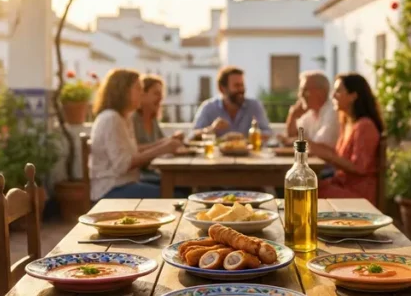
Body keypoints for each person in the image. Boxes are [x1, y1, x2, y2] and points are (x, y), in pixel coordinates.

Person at [88, 68, 184, 200]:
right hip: (110, 189)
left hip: (127, 183)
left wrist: (164, 144)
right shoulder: (111, 119)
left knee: (181, 187)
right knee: (178, 197)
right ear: (123, 91)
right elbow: (123, 165)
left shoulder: (123, 117)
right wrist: (161, 149)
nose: (141, 93)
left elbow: (131, 151)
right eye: (138, 89)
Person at [308, 73, 384, 203]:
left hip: (358, 192)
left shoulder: (365, 125)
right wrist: (314, 148)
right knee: (303, 187)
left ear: (353, 96)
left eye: (338, 91)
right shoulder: (347, 122)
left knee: (306, 192)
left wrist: (327, 155)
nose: (332, 95)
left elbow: (360, 168)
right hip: (342, 184)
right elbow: (340, 156)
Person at [192, 66, 273, 137]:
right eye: (237, 85)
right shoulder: (208, 107)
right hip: (217, 154)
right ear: (222, 89)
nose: (241, 89)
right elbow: (193, 135)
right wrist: (212, 129)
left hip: (249, 153)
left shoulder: (254, 106)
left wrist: (247, 137)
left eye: (242, 85)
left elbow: (267, 132)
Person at [133, 74, 184, 183]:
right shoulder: (132, 119)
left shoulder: (152, 119)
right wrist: (165, 144)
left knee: (186, 183)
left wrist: (172, 140)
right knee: (182, 186)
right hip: (139, 176)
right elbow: (131, 150)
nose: (161, 98)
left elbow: (162, 144)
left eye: (161, 94)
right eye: (156, 93)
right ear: (143, 94)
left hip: (153, 172)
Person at [284, 71, 339, 146]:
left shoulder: (333, 111)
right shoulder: (310, 113)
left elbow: (320, 145)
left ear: (321, 92)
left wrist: (294, 140)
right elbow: (292, 137)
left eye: (305, 90)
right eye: (300, 90)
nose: (301, 95)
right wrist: (293, 115)